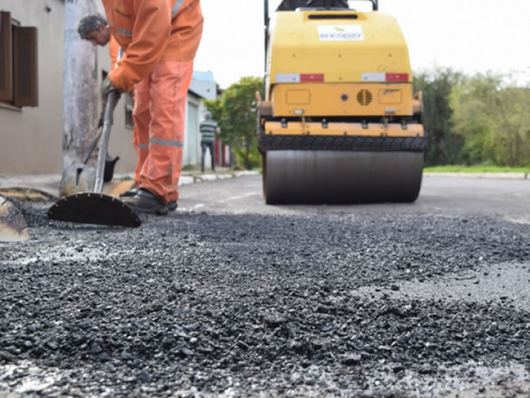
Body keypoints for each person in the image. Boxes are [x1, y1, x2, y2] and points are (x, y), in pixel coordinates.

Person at [92, 0, 203, 215]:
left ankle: (159, 187)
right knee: (142, 111)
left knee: (164, 106)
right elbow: (124, 43)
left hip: (176, 29)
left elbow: (154, 28)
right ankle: (146, 182)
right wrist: (118, 80)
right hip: (142, 42)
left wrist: (123, 76)